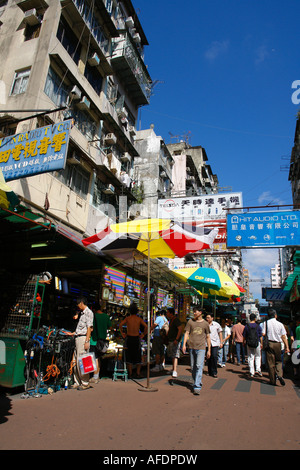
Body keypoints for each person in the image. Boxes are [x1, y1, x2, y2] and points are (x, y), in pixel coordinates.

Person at [182, 306, 211, 395]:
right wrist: (184, 345)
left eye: (196, 311)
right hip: (191, 347)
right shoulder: (190, 322)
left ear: (200, 312)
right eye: (193, 311)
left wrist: (209, 349)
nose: (194, 313)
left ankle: (197, 386)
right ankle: (197, 380)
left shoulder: (205, 324)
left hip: (201, 348)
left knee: (199, 365)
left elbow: (208, 336)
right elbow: (186, 333)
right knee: (193, 366)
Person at [119, 303, 147, 379]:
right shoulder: (139, 319)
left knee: (129, 356)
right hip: (136, 338)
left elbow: (120, 325)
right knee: (138, 356)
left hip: (129, 338)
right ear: (137, 311)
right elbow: (146, 326)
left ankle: (130, 373)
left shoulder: (128, 319)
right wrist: (143, 334)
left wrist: (122, 333)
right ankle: (138, 373)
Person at [262, 309, 290, 386]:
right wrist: (287, 347)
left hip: (269, 343)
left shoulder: (265, 323)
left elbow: (263, 334)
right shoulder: (280, 324)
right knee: (279, 361)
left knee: (270, 363)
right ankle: (280, 375)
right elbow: (284, 336)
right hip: (278, 343)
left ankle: (273, 380)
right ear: (275, 315)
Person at [72, 296, 94, 390]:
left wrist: (87, 341)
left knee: (83, 360)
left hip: (83, 338)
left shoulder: (89, 313)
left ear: (81, 303)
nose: (78, 306)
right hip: (78, 337)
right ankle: (77, 381)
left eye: (78, 304)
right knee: (76, 361)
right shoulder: (81, 313)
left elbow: (89, 328)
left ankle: (85, 383)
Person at [90, 304, 111, 383]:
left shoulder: (93, 316)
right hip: (102, 341)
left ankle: (95, 376)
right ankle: (97, 375)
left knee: (94, 358)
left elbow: (91, 327)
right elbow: (110, 326)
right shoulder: (106, 317)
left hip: (94, 340)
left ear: (94, 309)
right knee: (99, 358)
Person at [165, 307, 184, 378]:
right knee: (172, 355)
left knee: (175, 355)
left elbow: (180, 329)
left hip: (174, 340)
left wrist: (176, 339)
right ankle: (173, 369)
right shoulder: (171, 320)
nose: (166, 314)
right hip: (171, 340)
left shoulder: (175, 320)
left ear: (171, 313)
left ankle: (175, 370)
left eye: (167, 312)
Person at [206, 314, 222, 378]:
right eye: (206, 317)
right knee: (208, 357)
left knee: (214, 356)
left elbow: (220, 333)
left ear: (212, 318)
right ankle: (209, 371)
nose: (207, 319)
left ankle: (214, 371)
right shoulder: (205, 324)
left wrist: (221, 342)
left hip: (215, 343)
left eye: (208, 318)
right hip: (207, 343)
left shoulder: (216, 325)